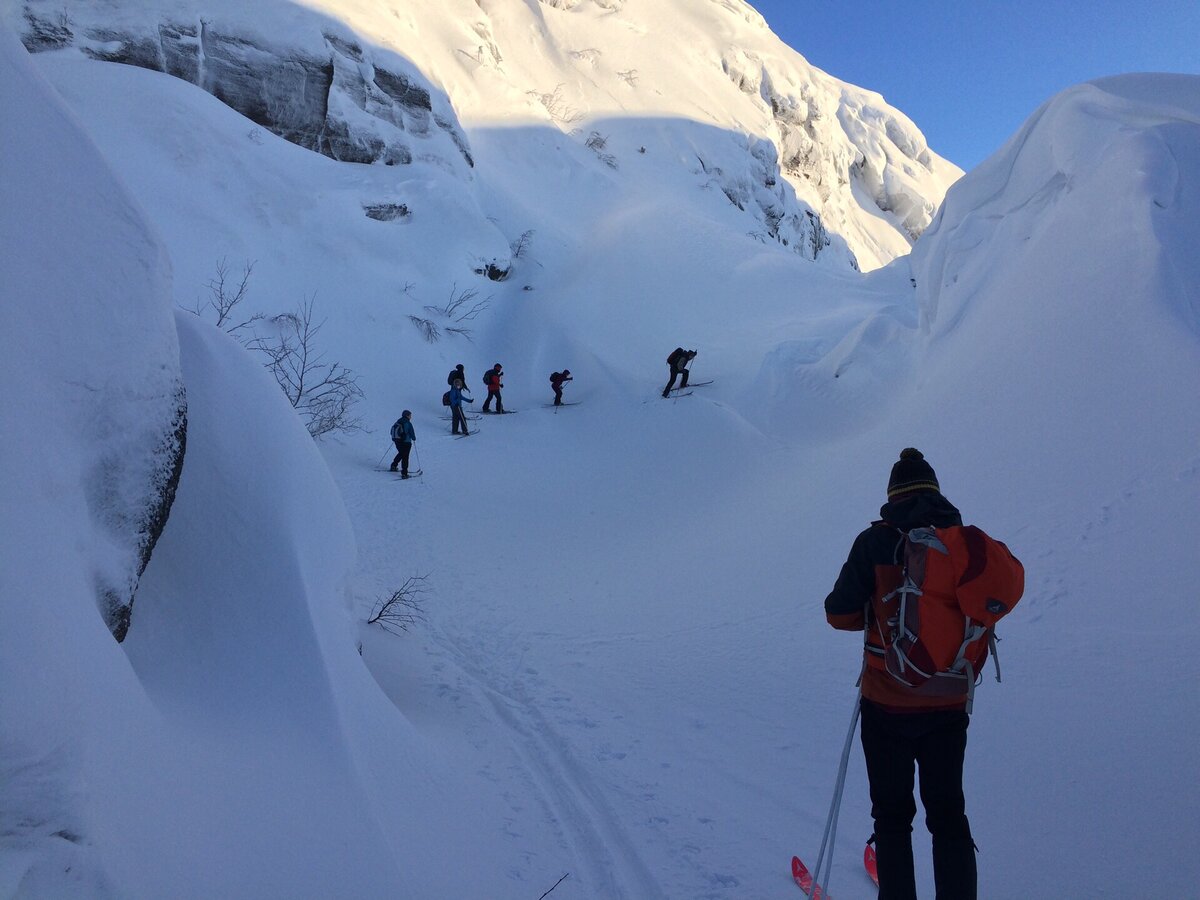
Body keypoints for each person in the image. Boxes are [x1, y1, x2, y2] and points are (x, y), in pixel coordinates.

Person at [824, 449, 1021, 900]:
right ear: (935, 490)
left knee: (892, 816)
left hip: (887, 702)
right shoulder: (962, 544)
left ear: (892, 495)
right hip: (950, 701)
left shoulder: (874, 543)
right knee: (948, 812)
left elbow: (839, 614)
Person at [389, 410, 416, 477]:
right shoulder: (408, 423)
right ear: (407, 415)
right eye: (410, 415)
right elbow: (412, 433)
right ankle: (404, 473)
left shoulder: (398, 421)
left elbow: (391, 431)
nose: (410, 417)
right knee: (405, 456)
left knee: (401, 453)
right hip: (406, 442)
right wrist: (414, 438)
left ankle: (393, 465)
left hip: (397, 441)